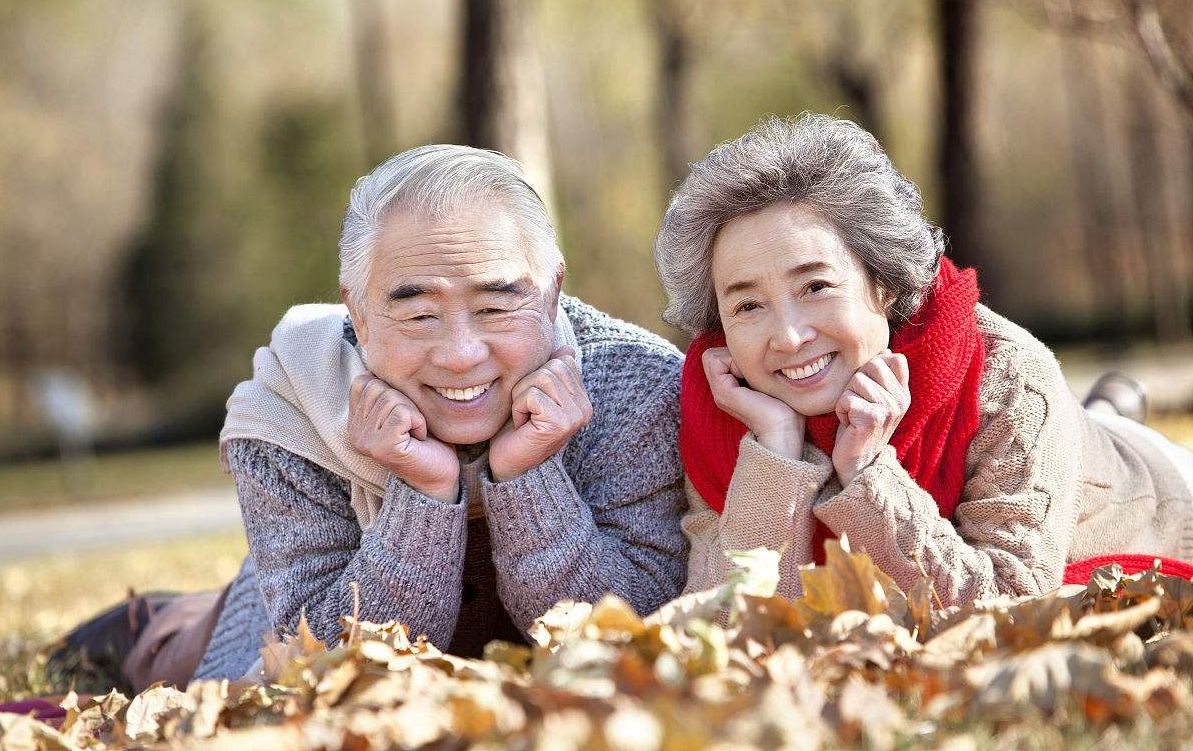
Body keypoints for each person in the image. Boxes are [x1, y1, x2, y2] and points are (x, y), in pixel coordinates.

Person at [50, 144, 688, 692]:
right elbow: (326, 661)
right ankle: (155, 619)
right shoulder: (291, 404)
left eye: (496, 306)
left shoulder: (638, 386)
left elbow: (630, 633)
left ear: (552, 292)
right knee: (175, 654)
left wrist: (529, 474)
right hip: (279, 609)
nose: (462, 354)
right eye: (417, 313)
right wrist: (426, 489)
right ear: (354, 311)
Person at [653, 113, 1193, 605]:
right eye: (748, 305)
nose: (789, 337)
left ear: (884, 285)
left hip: (1157, 492)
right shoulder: (721, 412)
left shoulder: (1005, 374)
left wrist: (867, 472)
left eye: (815, 285)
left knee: (1099, 430)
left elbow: (1008, 606)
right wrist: (774, 455)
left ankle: (1109, 413)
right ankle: (1108, 406)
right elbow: (718, 629)